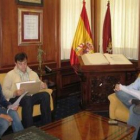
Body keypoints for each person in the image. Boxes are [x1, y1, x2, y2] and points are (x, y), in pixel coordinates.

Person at [2, 52, 51, 128]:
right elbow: (4, 92)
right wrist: (14, 93)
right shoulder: (10, 75)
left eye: (24, 63)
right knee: (27, 99)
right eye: (20, 64)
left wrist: (43, 85)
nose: (23, 66)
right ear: (15, 64)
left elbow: (39, 84)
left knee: (45, 95)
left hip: (30, 96)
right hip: (15, 98)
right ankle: (29, 129)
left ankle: (47, 126)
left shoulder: (32, 73)